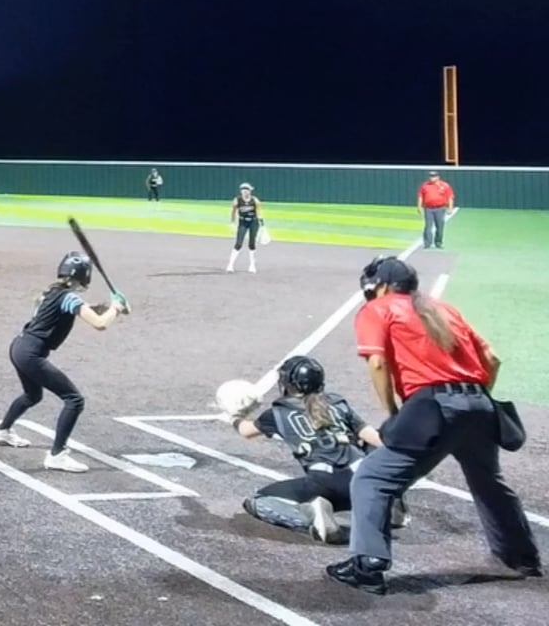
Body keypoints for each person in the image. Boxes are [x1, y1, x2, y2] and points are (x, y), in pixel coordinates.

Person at [326, 255, 541, 593]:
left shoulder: (377, 309)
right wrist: (473, 401)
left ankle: (368, 565)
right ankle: (522, 557)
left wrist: (394, 414)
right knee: (488, 482)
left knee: (372, 478)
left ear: (382, 286)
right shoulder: (443, 309)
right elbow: (492, 359)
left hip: (434, 406)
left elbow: (378, 363)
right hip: (480, 404)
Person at [227, 355, 400, 544]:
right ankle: (386, 500)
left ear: (289, 384)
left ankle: (315, 519)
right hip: (363, 481)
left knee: (258, 501)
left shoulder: (278, 413)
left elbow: (246, 431)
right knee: (369, 447)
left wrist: (235, 416)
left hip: (324, 485)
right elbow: (376, 439)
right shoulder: (337, 403)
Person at [0, 252, 127, 472]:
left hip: (19, 347)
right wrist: (115, 309)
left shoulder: (52, 293)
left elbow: (83, 310)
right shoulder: (69, 298)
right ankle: (57, 455)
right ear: (85, 275)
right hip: (31, 354)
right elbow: (99, 323)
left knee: (32, 395)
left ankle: (3, 431)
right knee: (74, 400)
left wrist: (113, 307)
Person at [227, 183, 263, 273]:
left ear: (250, 191)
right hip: (243, 222)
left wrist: (262, 224)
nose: (245, 191)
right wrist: (232, 223)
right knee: (238, 243)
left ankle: (252, 265)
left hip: (253, 222)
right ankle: (230, 265)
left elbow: (259, 212)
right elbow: (233, 212)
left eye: (247, 190)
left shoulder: (255, 200)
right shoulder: (237, 200)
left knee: (252, 244)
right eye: (243, 190)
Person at [418, 171, 454, 249]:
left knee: (440, 226)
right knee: (428, 226)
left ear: (438, 177)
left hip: (440, 208)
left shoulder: (445, 185)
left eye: (433, 176)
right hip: (428, 208)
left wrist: (450, 208)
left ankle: (438, 242)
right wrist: (419, 206)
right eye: (430, 176)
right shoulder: (425, 185)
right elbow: (420, 196)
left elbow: (450, 197)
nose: (432, 178)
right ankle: (427, 243)